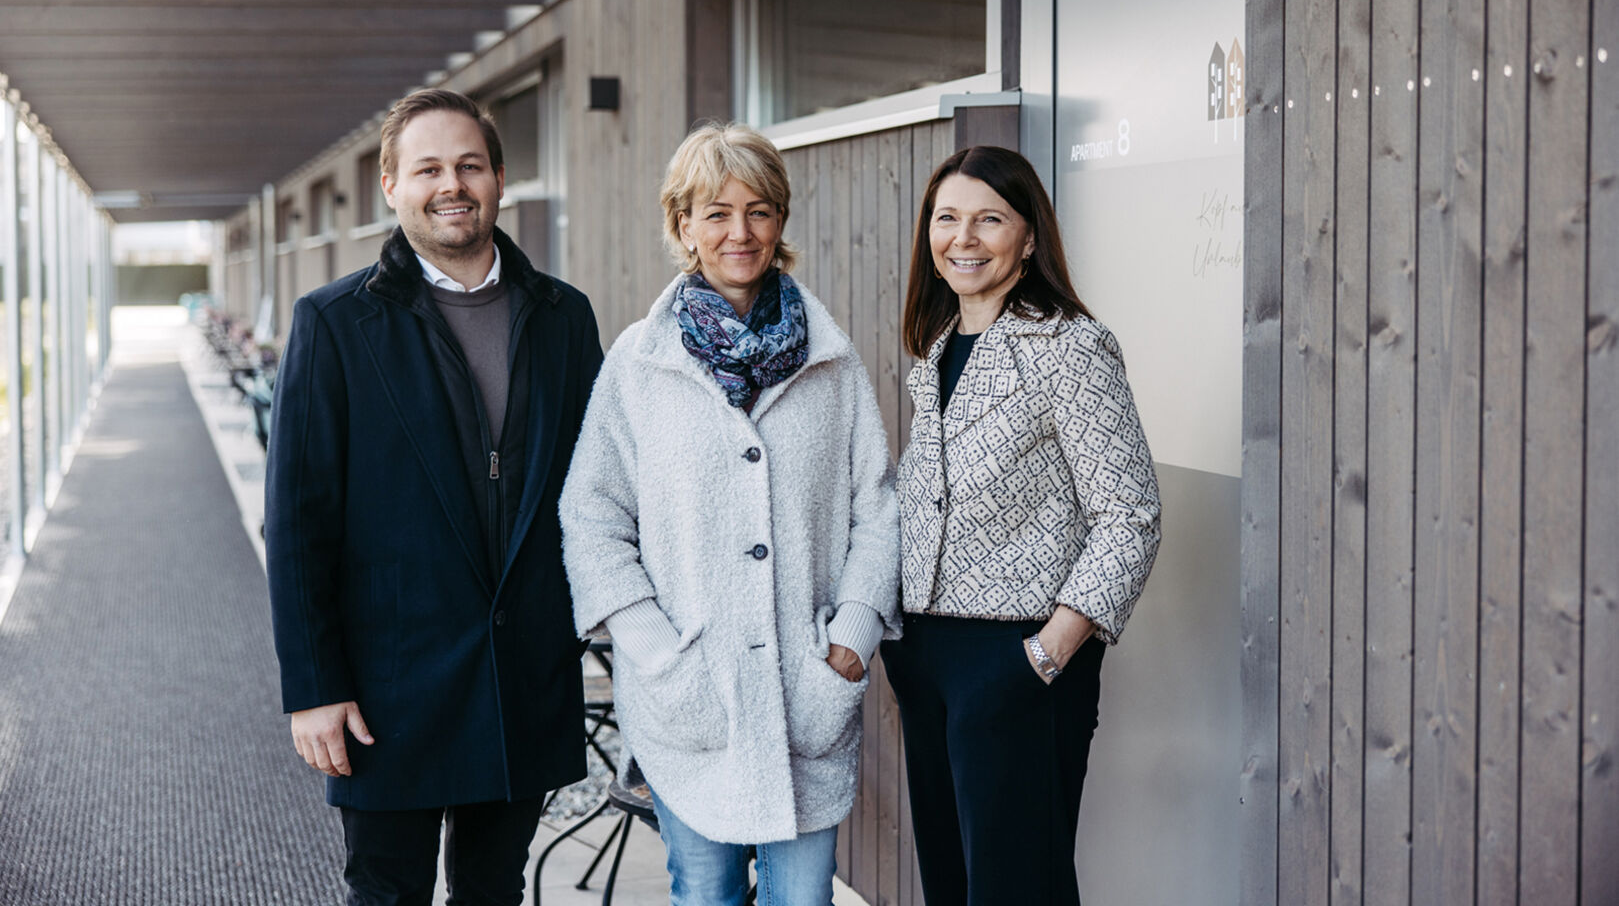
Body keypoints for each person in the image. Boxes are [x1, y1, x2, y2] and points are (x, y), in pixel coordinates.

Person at [265, 88, 604, 905]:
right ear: (391, 185)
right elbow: (298, 520)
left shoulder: (564, 318)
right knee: (387, 892)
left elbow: (600, 490)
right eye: (427, 169)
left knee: (496, 891)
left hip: (520, 673)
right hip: (388, 686)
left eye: (468, 166)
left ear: (496, 180)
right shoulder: (334, 323)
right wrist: (312, 686)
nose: (451, 185)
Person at [560, 122, 899, 906]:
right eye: (714, 212)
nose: (737, 232)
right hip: (689, 692)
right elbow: (592, 513)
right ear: (682, 225)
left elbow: (875, 509)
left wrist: (849, 638)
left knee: (803, 898)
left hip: (805, 692)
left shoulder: (831, 361)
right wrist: (649, 645)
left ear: (780, 222)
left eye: (757, 210)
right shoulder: (639, 363)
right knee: (705, 894)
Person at [881, 145, 1161, 906]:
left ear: (1028, 236)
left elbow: (1128, 516)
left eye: (988, 220)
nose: (962, 239)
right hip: (925, 657)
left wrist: (1044, 655)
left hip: (1015, 657)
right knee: (953, 883)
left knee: (1014, 889)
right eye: (946, 219)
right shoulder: (938, 347)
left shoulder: (1072, 346)